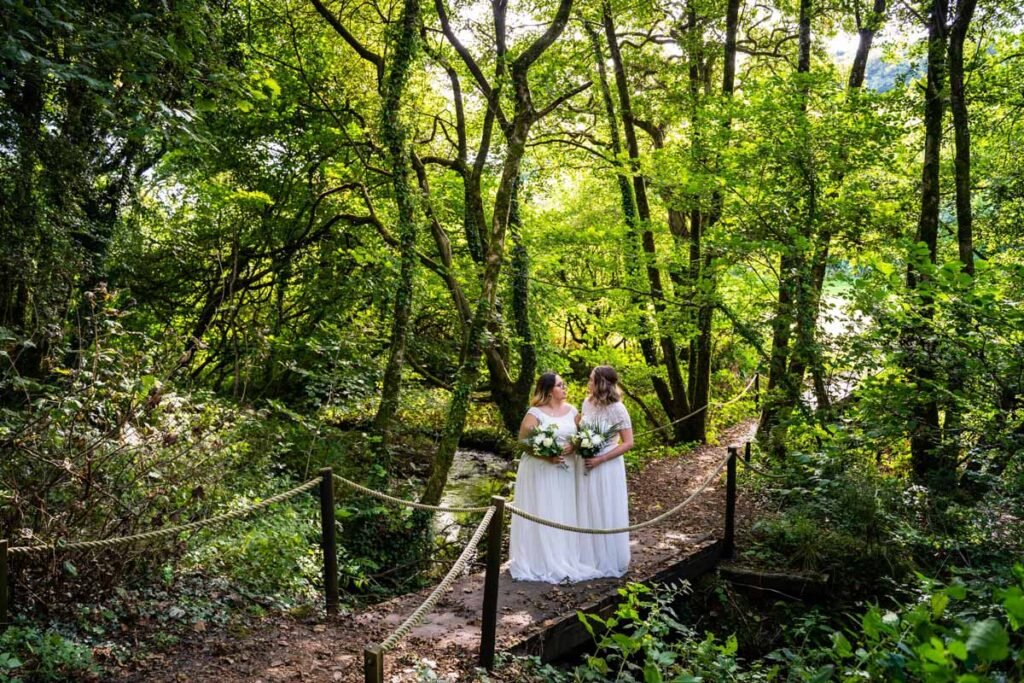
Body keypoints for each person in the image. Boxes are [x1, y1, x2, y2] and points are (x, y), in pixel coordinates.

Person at [508, 372, 598, 583]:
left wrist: (574, 445)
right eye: (560, 385)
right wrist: (545, 455)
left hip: (566, 470)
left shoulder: (573, 411)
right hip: (541, 469)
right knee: (544, 510)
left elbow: (580, 437)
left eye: (564, 384)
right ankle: (540, 559)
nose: (564, 387)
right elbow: (523, 442)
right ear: (549, 390)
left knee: (564, 511)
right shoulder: (535, 413)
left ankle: (565, 555)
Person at [576, 365, 634, 577]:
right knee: (587, 506)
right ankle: (588, 555)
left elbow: (628, 443)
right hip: (587, 461)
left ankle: (608, 557)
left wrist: (601, 458)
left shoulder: (618, 408)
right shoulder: (587, 403)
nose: (588, 382)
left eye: (592, 379)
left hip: (607, 464)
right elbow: (582, 430)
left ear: (601, 383)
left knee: (605, 506)